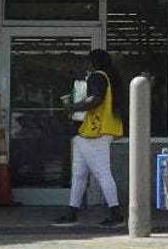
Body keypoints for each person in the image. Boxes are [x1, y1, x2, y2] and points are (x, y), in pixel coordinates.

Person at [53, 49, 125, 228]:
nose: (84, 65)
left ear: (93, 63)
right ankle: (72, 211)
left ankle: (116, 214)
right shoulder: (109, 77)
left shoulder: (97, 77)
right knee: (79, 174)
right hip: (89, 133)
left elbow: (95, 99)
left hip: (93, 132)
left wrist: (73, 107)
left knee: (101, 173)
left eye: (86, 62)